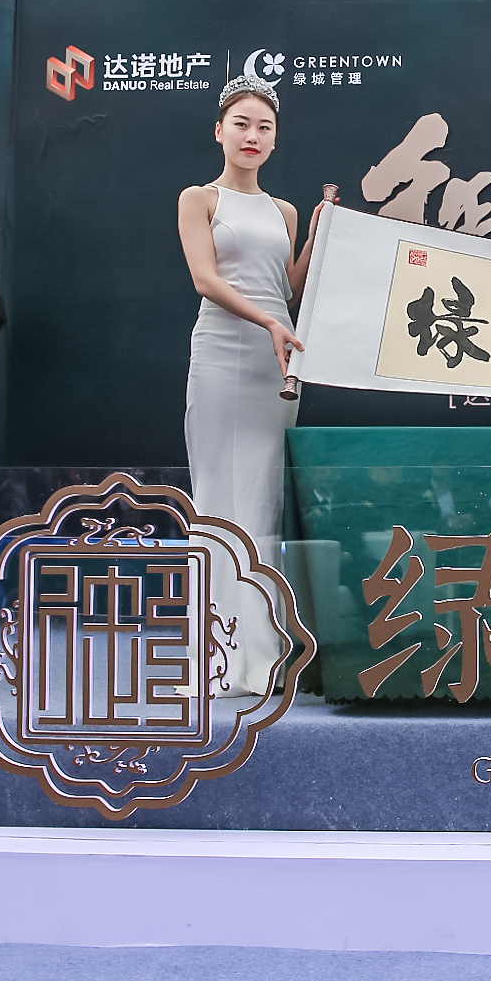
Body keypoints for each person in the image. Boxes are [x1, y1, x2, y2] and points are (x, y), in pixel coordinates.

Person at [176, 74, 330, 693]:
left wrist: (315, 237)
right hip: (222, 349)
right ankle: (214, 652)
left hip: (278, 359)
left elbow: (285, 287)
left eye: (264, 127)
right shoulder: (199, 199)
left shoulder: (282, 210)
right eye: (241, 124)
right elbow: (205, 280)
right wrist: (266, 320)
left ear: (274, 139)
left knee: (261, 495)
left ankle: (261, 651)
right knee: (216, 493)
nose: (252, 136)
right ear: (219, 131)